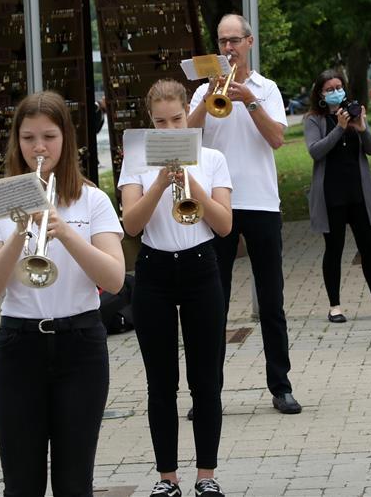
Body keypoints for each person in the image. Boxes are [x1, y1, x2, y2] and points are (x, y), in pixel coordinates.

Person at [0, 91, 125, 496]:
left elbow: (115, 279)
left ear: (66, 140)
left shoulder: (92, 200)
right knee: (21, 483)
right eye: (28, 138)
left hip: (80, 344)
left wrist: (65, 231)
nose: (38, 148)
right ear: (16, 142)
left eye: (49, 137)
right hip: (18, 345)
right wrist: (21, 232)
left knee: (75, 483)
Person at [119, 79, 233, 497]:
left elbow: (223, 225)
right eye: (160, 122)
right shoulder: (136, 157)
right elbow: (131, 224)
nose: (169, 129)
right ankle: (167, 477)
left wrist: (190, 180)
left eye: (177, 119)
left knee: (206, 379)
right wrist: (159, 183)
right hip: (154, 272)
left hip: (202, 268)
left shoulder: (213, 158)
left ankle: (207, 475)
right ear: (150, 121)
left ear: (190, 114)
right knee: (160, 381)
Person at [187, 13, 301, 415]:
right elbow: (185, 138)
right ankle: (207, 394)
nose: (228, 48)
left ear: (249, 42)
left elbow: (277, 139)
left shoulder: (266, 89)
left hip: (261, 203)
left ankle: (281, 386)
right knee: (211, 303)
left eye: (234, 40)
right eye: (222, 41)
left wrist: (248, 101)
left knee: (271, 299)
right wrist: (208, 98)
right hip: (218, 205)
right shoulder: (203, 91)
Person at [303, 70, 371, 323]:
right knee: (334, 250)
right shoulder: (314, 120)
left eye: (339, 86)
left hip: (358, 193)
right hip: (331, 195)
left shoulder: (354, 113)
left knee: (369, 249)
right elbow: (315, 151)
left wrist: (362, 128)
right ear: (320, 94)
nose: (336, 91)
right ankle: (335, 306)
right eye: (330, 89)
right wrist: (339, 129)